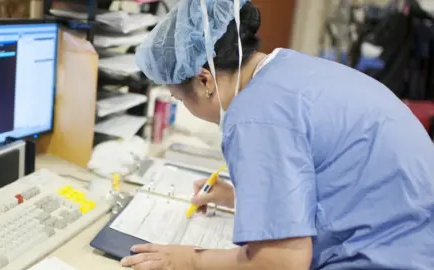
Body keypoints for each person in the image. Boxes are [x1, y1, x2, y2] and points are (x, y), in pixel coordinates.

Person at [121, 0, 434, 269]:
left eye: (179, 98)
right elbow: (333, 173)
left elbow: (282, 262)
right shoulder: (287, 68)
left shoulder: (254, 115)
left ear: (204, 81)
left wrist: (188, 260)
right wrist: (246, 198)